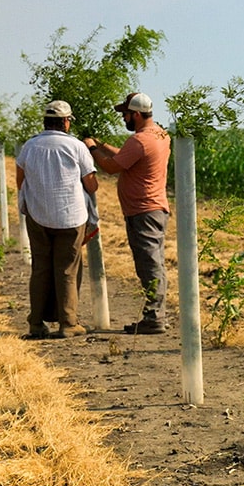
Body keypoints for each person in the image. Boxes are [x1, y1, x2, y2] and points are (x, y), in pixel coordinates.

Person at [84, 92, 171, 334]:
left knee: (149, 265)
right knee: (155, 263)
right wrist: (100, 144)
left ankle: (154, 318)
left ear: (136, 114)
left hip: (143, 210)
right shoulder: (160, 135)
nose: (123, 118)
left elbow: (112, 167)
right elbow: (124, 156)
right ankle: (158, 314)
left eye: (125, 114)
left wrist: (91, 149)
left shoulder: (140, 141)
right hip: (154, 209)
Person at [16, 100, 99, 339]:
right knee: (67, 270)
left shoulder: (29, 146)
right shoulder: (76, 147)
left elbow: (20, 181)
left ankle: (36, 323)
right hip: (71, 218)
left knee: (40, 268)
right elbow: (91, 185)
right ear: (65, 122)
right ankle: (68, 323)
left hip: (38, 215)